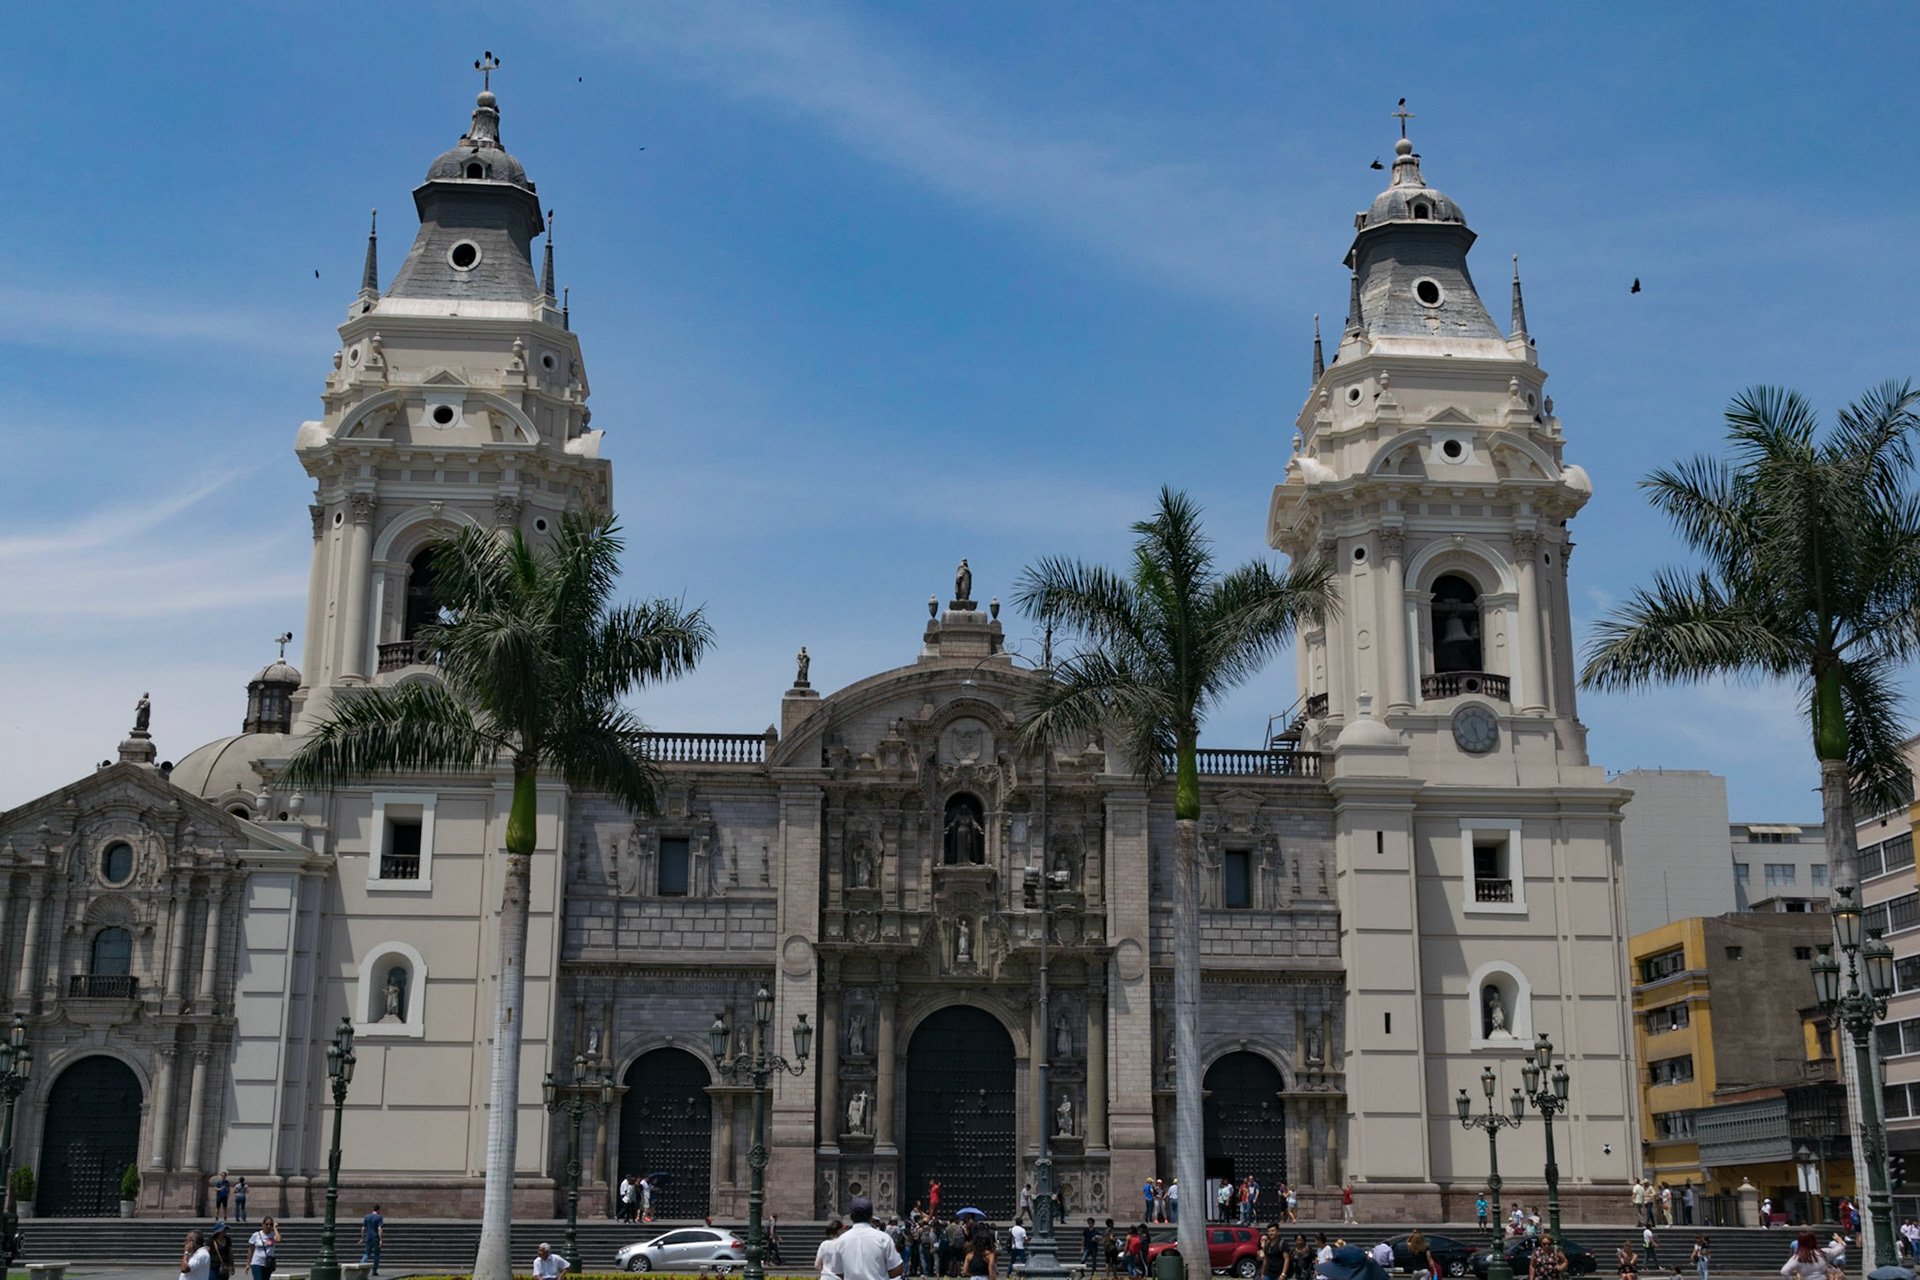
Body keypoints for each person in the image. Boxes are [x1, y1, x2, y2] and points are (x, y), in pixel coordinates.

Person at [840, 1198, 907, 1280]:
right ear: (871, 1216)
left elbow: (837, 1271)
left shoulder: (841, 1240)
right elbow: (897, 1268)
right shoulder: (883, 1238)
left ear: (850, 1216)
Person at [361, 1204, 385, 1276]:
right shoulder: (379, 1217)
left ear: (372, 1209)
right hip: (375, 1238)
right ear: (378, 1210)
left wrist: (362, 1238)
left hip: (368, 1237)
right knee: (376, 1254)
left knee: (367, 1254)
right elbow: (379, 1229)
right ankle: (374, 1270)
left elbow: (363, 1228)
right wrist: (381, 1240)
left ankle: (361, 1266)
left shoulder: (367, 1217)